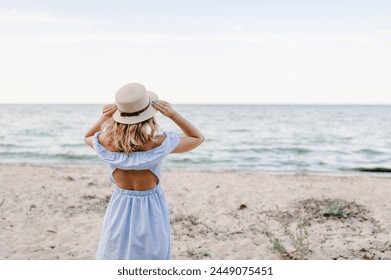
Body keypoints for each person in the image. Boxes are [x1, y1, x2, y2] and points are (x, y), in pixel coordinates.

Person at [84, 83, 204, 260]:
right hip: (150, 204)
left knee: (116, 247)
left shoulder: (106, 142)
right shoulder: (158, 143)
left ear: (119, 115)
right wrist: (173, 114)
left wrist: (104, 118)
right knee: (151, 251)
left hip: (120, 202)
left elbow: (87, 136)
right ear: (150, 116)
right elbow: (197, 138)